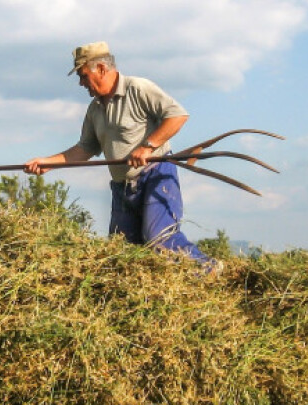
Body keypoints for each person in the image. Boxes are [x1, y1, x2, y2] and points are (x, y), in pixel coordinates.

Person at [24, 41, 211, 265]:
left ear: (101, 69)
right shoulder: (94, 109)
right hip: (122, 187)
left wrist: (148, 146)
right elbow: (84, 149)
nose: (82, 83)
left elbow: (178, 116)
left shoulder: (138, 88)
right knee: (121, 253)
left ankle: (208, 268)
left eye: (83, 75)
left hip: (155, 175)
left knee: (160, 239)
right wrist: (48, 163)